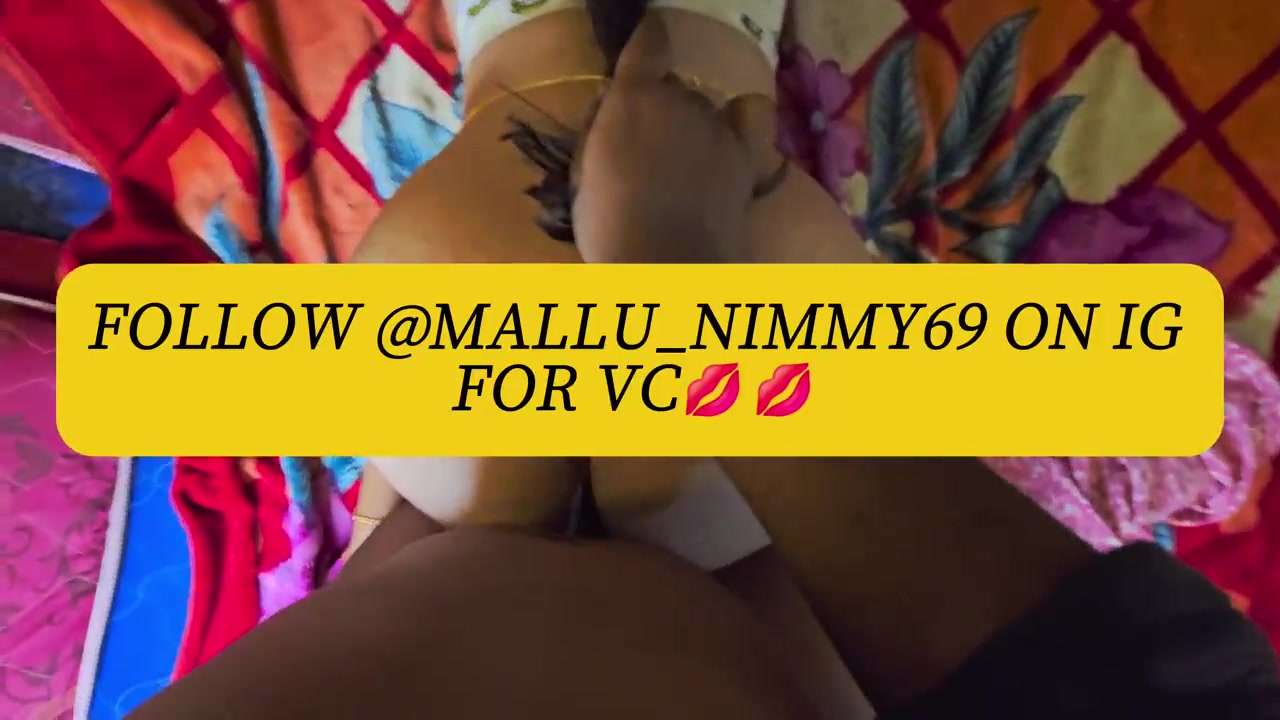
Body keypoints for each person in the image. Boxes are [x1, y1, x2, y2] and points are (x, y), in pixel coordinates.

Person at [129, 12, 1280, 719]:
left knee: (547, 189)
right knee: (613, 146)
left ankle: (607, 65)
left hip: (461, 543)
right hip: (760, 584)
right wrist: (679, 277)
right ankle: (672, 61)